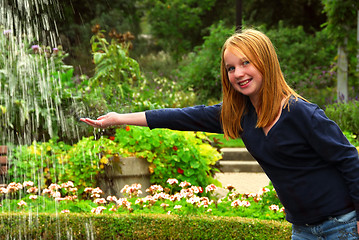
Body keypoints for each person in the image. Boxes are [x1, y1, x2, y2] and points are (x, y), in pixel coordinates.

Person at [80, 29, 359, 239]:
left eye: (246, 63)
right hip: (302, 229)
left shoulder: (301, 113)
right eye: (231, 68)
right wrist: (118, 118)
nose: (238, 73)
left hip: (341, 226)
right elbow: (179, 117)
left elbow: (349, 160)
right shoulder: (240, 116)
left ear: (266, 62)